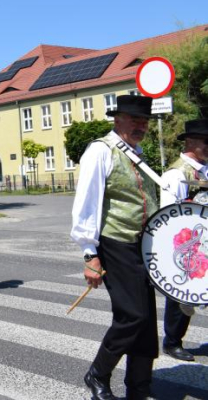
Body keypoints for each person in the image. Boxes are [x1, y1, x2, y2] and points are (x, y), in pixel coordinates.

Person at [71, 95, 159, 400]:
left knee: (146, 319)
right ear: (117, 119)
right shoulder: (101, 150)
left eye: (145, 121)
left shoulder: (136, 154)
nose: (141, 126)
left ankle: (139, 386)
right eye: (135, 120)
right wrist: (90, 254)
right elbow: (87, 202)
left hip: (142, 245)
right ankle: (98, 373)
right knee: (132, 315)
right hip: (115, 242)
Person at [159, 118, 208, 362]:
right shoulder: (177, 174)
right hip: (187, 246)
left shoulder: (205, 169)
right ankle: (172, 342)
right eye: (206, 141)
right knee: (182, 295)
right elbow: (169, 216)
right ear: (190, 142)